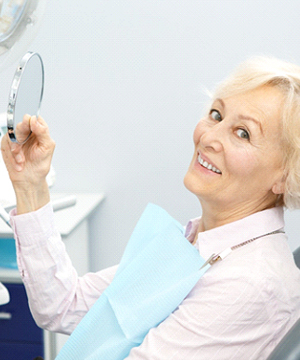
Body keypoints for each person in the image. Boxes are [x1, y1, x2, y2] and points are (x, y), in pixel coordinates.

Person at [2, 56, 300, 359]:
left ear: (286, 175)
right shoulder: (197, 244)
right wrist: (30, 185)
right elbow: (63, 306)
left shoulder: (249, 284)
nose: (209, 137)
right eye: (216, 114)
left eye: (243, 133)